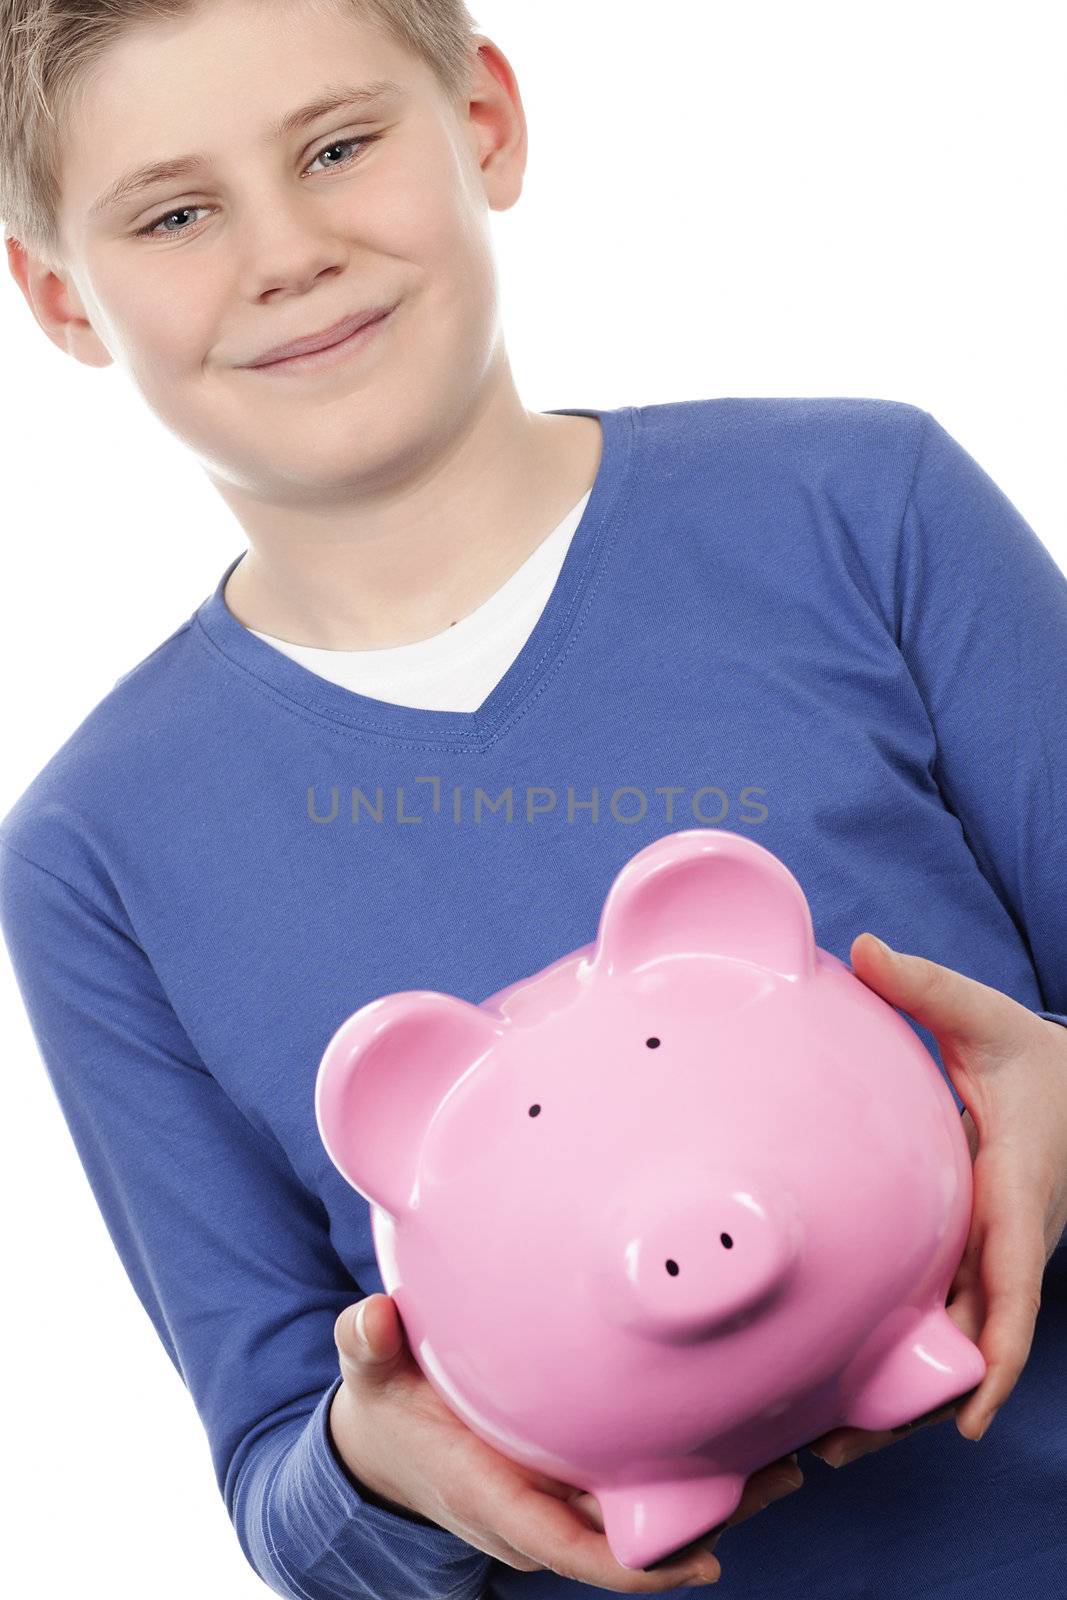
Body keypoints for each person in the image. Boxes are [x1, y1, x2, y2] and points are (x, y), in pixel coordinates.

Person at [1, 2, 1065, 1597]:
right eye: (173, 212)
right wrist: (385, 1460)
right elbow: (285, 1486)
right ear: (60, 294)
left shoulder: (866, 510)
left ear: (485, 122)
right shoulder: (93, 853)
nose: (285, 252)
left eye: (338, 146)